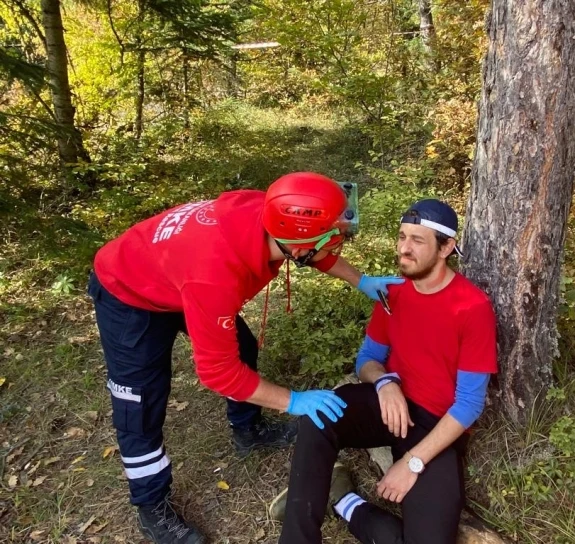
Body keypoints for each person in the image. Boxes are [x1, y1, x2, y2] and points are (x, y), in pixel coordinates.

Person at [87, 172, 404, 544]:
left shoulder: (270, 211)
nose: (336, 246)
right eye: (331, 240)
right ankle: (151, 506)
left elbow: (311, 250)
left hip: (179, 276)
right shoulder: (215, 277)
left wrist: (360, 280)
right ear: (297, 246)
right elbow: (218, 373)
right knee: (138, 402)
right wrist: (293, 401)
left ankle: (248, 431)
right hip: (129, 293)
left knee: (243, 347)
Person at [270, 198, 498, 544]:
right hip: (386, 405)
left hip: (433, 427)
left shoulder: (471, 307)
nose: (404, 249)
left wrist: (412, 463)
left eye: (417, 240)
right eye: (402, 236)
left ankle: (343, 500)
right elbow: (367, 359)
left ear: (446, 247)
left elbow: (468, 404)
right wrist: (385, 382)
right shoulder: (392, 293)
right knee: (317, 415)